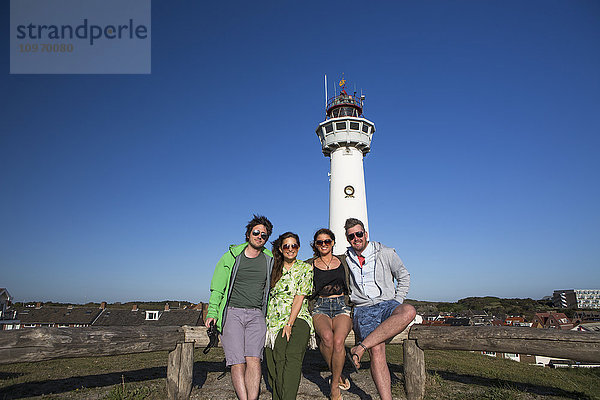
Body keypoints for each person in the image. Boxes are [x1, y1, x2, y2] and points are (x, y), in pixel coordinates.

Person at [344, 218, 417, 400]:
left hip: (387, 303)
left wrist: (397, 299)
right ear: (347, 238)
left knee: (409, 311)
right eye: (351, 236)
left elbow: (404, 276)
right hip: (363, 308)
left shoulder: (385, 252)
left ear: (366, 234)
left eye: (359, 234)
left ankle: (359, 348)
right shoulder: (346, 259)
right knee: (377, 349)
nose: (356, 238)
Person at [205, 215, 274, 400]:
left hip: (257, 315)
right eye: (256, 232)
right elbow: (218, 287)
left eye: (264, 235)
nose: (260, 237)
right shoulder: (232, 256)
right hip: (232, 313)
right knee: (237, 362)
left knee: (254, 359)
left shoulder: (270, 259)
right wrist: (212, 313)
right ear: (248, 234)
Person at [264, 232, 315, 400]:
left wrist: (289, 323)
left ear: (299, 248)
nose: (290, 249)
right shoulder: (273, 268)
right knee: (274, 364)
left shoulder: (305, 268)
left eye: (294, 246)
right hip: (272, 320)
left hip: (297, 317)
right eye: (287, 246)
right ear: (281, 248)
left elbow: (300, 297)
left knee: (292, 357)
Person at [307, 228, 353, 400]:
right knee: (326, 337)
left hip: (342, 305)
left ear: (333, 242)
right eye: (320, 242)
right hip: (320, 306)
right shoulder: (309, 264)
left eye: (327, 241)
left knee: (339, 341)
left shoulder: (344, 261)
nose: (324, 244)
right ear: (315, 245)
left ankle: (334, 387)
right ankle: (338, 374)